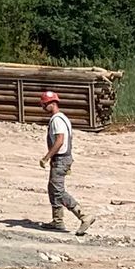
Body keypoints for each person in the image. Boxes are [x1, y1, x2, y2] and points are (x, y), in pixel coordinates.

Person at [39, 90, 92, 235]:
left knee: (58, 191)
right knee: (53, 189)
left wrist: (47, 157)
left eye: (44, 104)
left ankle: (84, 216)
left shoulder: (57, 120)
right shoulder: (62, 118)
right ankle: (57, 221)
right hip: (63, 158)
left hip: (61, 159)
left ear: (52, 103)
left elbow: (60, 140)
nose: (43, 107)